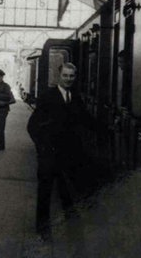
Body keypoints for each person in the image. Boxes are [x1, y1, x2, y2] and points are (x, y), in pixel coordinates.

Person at [27, 62, 94, 241]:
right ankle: (43, 229)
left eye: (71, 76)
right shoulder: (47, 97)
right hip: (49, 154)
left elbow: (86, 120)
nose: (68, 79)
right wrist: (42, 147)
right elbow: (32, 126)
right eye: (65, 76)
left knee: (68, 192)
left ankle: (71, 229)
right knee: (45, 192)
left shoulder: (75, 97)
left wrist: (106, 128)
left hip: (68, 155)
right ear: (59, 76)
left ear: (75, 77)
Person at [0, 69, 15, 151]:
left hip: (3, 109)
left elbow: (9, 97)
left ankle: (0, 145)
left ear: (2, 76)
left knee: (0, 128)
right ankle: (0, 144)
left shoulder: (6, 86)